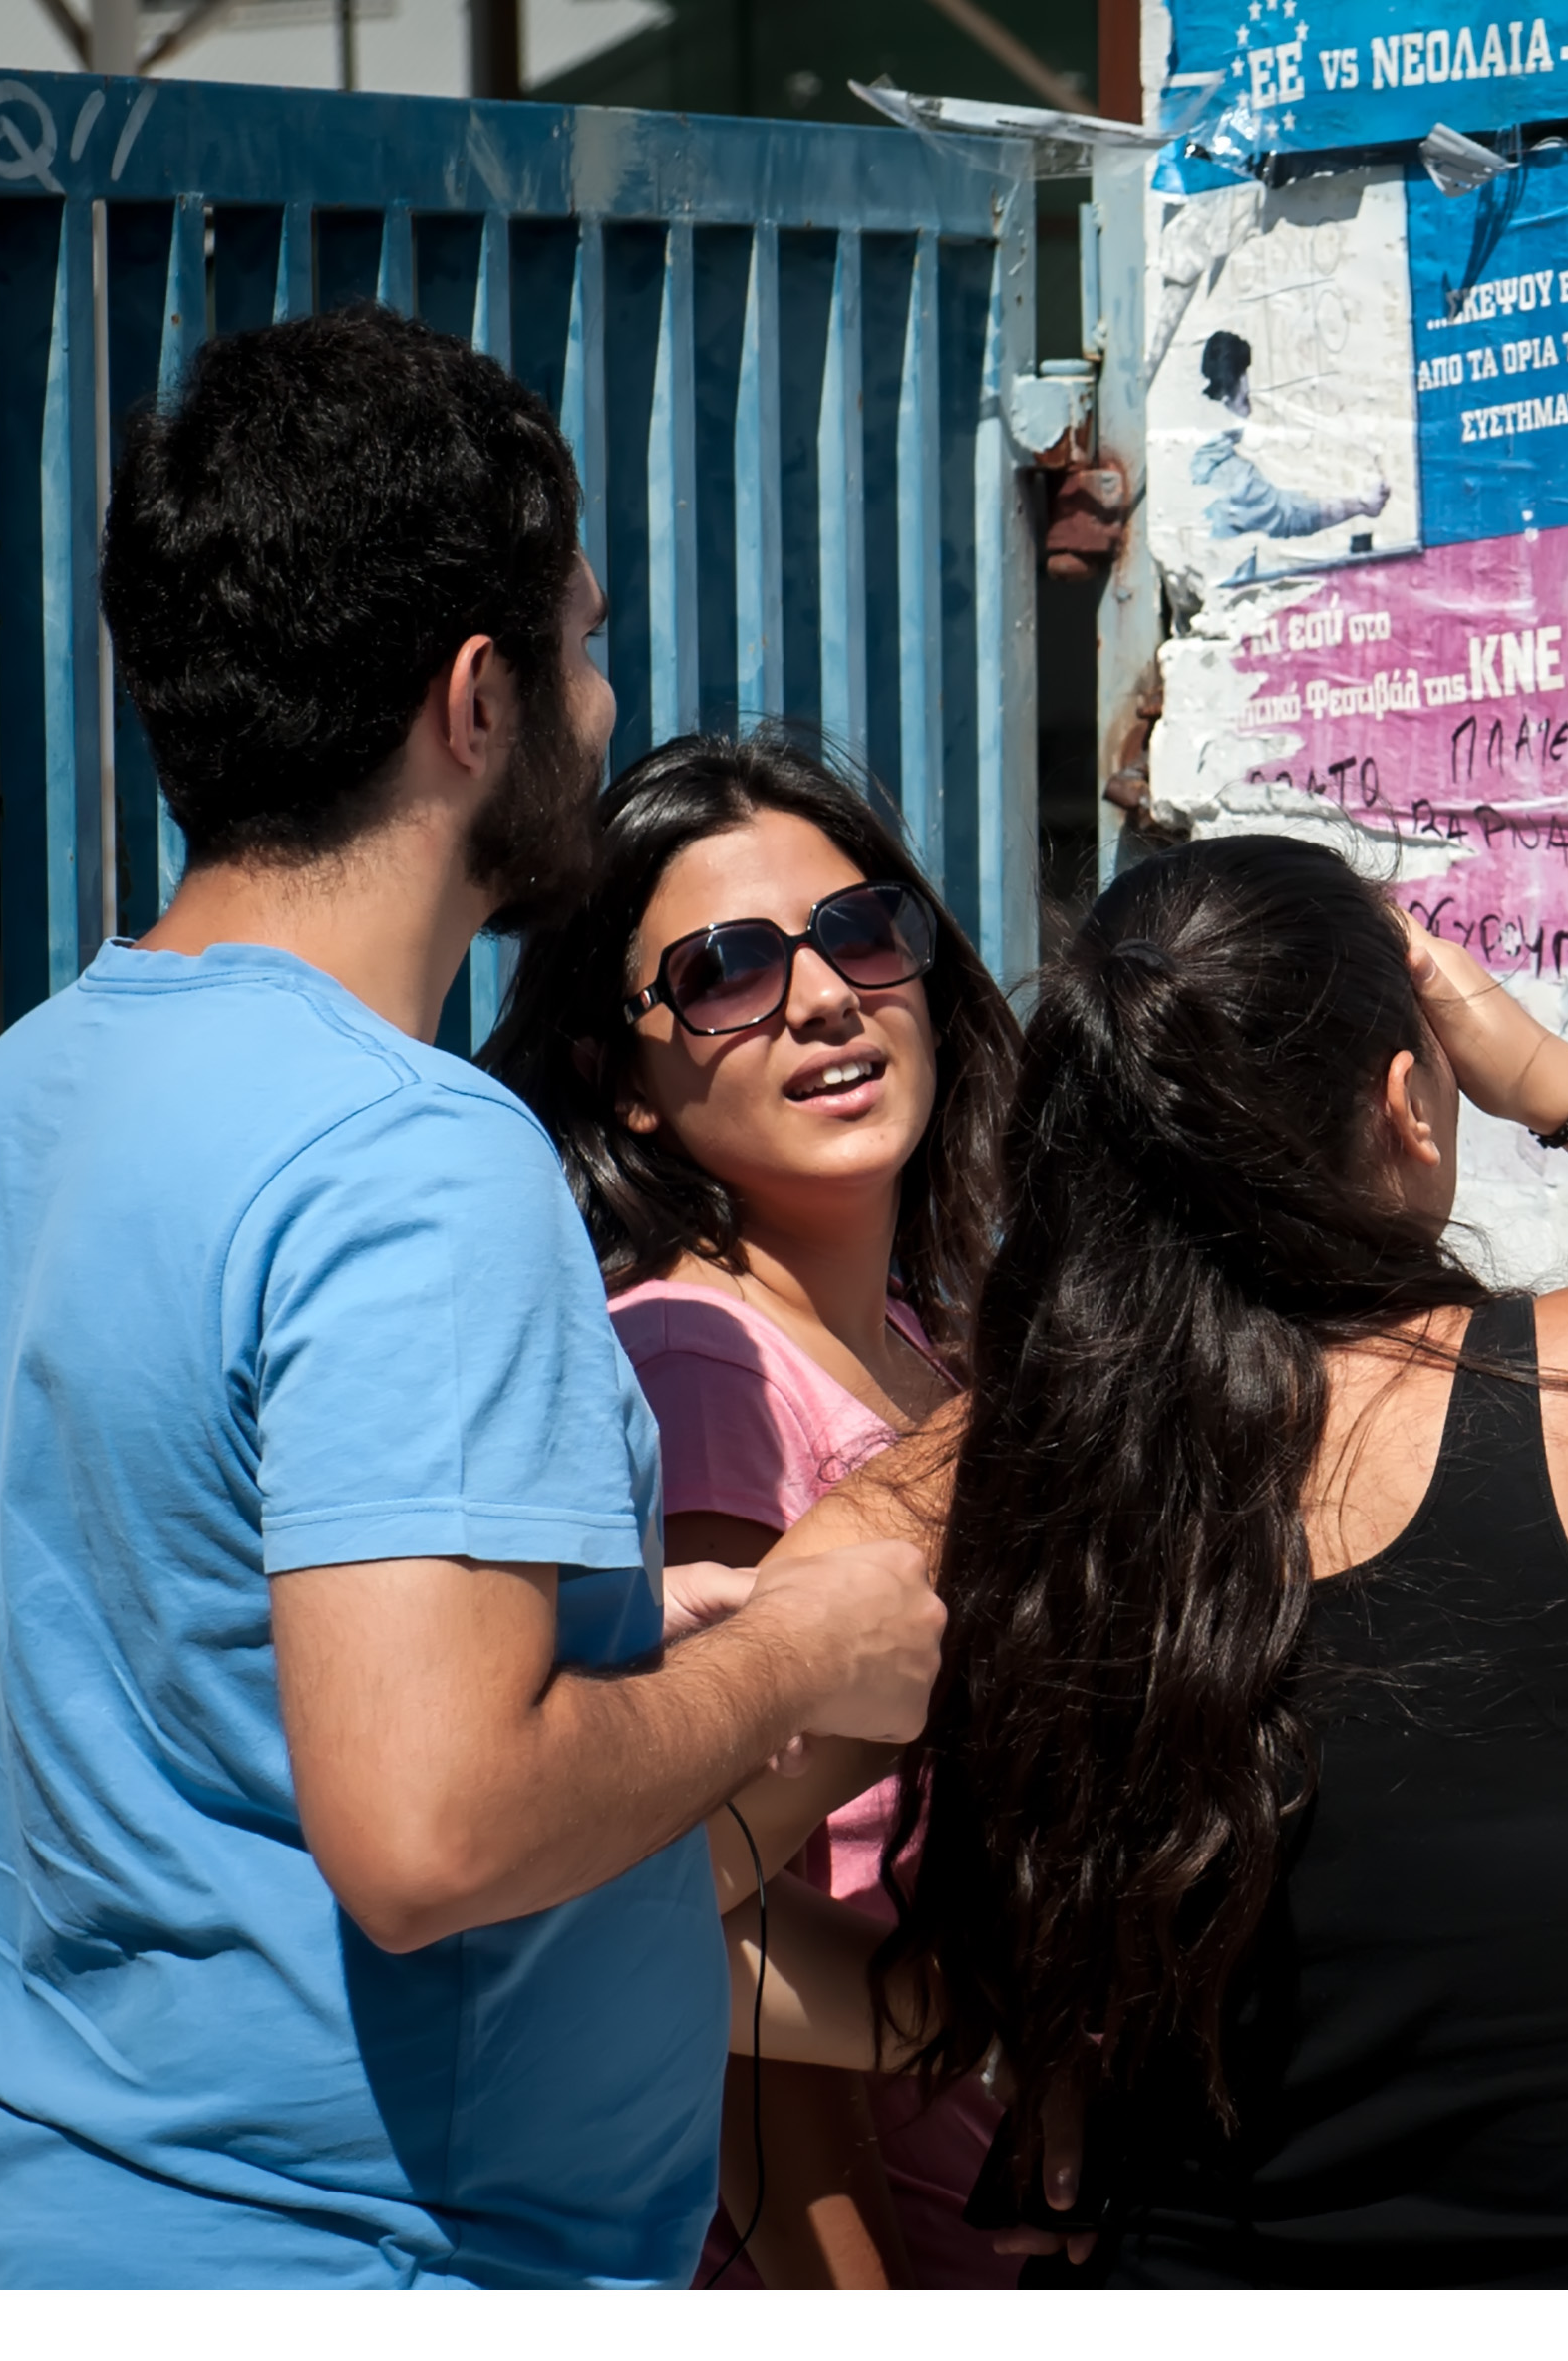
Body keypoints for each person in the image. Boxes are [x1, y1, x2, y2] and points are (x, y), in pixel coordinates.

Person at [0, 305, 941, 2289]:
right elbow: (434, 1831)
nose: (603, 702)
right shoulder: (414, 1156)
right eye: (585, 642)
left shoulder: (24, 1093)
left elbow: (213, 1666)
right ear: (476, 700)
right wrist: (792, 1653)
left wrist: (639, 1637)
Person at [803, 833, 1568, 2285]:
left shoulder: (984, 1486)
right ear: (1406, 1105)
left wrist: (964, 2008)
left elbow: (648, 1868)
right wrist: (1550, 1075)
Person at [483, 730, 1022, 2288]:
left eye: (860, 930)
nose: (824, 996)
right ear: (623, 1083)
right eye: (725, 970)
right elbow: (698, 1907)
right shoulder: (699, 1365)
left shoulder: (916, 1340)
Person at [1194, 327, 1390, 542]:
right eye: (1245, 400)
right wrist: (1361, 504)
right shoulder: (1235, 478)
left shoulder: (1196, 455)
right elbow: (1289, 516)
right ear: (1224, 400)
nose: (1249, 414)